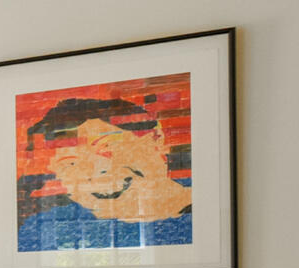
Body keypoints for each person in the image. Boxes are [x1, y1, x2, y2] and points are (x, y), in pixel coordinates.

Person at [17, 95, 193, 251]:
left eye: (107, 146)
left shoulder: (208, 206)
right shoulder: (45, 229)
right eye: (70, 164)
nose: (96, 171)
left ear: (156, 139)